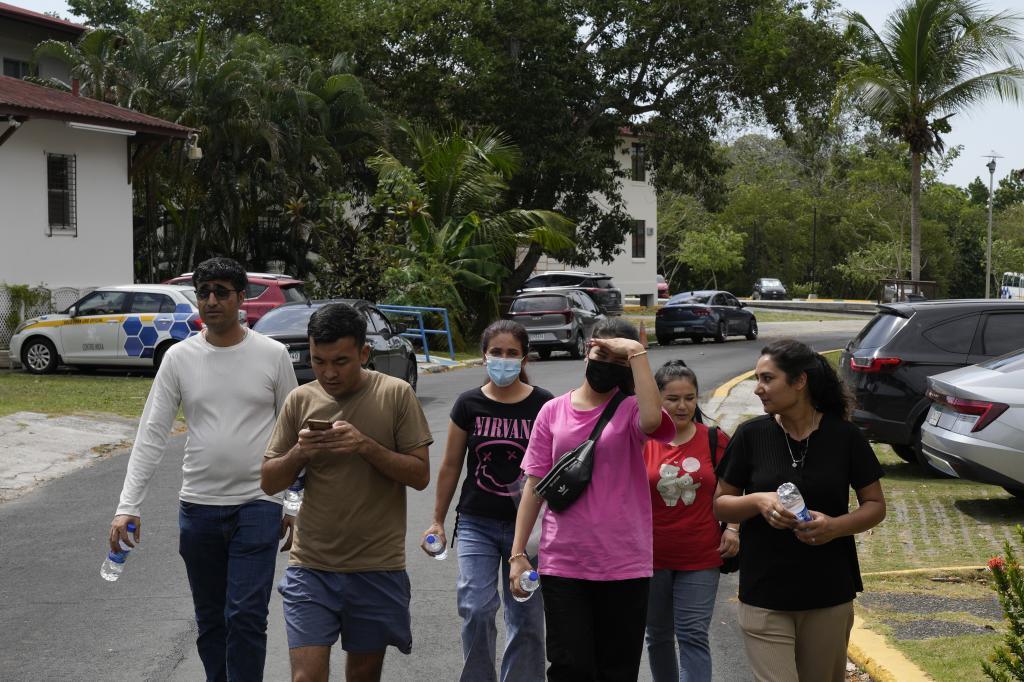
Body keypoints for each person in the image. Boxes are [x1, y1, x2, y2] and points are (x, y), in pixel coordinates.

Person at [108, 257, 298, 682]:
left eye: (221, 292)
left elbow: (294, 435)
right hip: (198, 509)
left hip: (258, 504)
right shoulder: (179, 358)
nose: (211, 301)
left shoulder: (273, 355)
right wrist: (127, 506)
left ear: (241, 299)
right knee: (212, 620)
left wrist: (292, 502)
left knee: (246, 615)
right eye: (204, 293)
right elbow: (151, 434)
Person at [261, 302, 433, 682]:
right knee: (305, 678)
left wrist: (364, 446)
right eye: (319, 361)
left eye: (340, 361)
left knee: (363, 676)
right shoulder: (300, 400)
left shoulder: (396, 394)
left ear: (365, 353)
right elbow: (269, 480)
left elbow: (420, 475)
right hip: (311, 566)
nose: (328, 372)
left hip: (376, 566)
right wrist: (300, 453)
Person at [509, 318, 676, 681]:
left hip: (624, 564)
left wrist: (635, 352)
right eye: (603, 353)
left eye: (619, 360)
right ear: (588, 350)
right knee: (571, 668)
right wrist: (518, 554)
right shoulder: (552, 411)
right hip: (564, 562)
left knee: (617, 670)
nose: (607, 365)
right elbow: (534, 484)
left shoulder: (632, 409)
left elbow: (652, 420)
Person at [713, 339, 886, 682]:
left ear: (799, 381)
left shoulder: (845, 436)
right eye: (757, 379)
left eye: (767, 379)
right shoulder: (751, 434)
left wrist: (835, 526)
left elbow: (876, 505)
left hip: (828, 594)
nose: (758, 389)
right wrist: (759, 501)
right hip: (764, 594)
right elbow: (721, 502)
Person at [422, 320, 552, 682]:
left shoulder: (545, 405)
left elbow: (554, 471)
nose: (504, 360)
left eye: (512, 353)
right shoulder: (468, 404)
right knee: (476, 608)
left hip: (528, 530)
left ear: (524, 357)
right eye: (497, 352)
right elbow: (450, 465)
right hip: (476, 522)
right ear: (484, 356)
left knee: (525, 617)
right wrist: (437, 520)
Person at [644, 360, 739, 682]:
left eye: (690, 397)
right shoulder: (642, 441)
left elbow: (736, 487)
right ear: (656, 399)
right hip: (649, 558)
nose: (682, 406)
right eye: (673, 398)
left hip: (700, 555)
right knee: (657, 636)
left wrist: (734, 528)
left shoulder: (714, 439)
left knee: (693, 635)